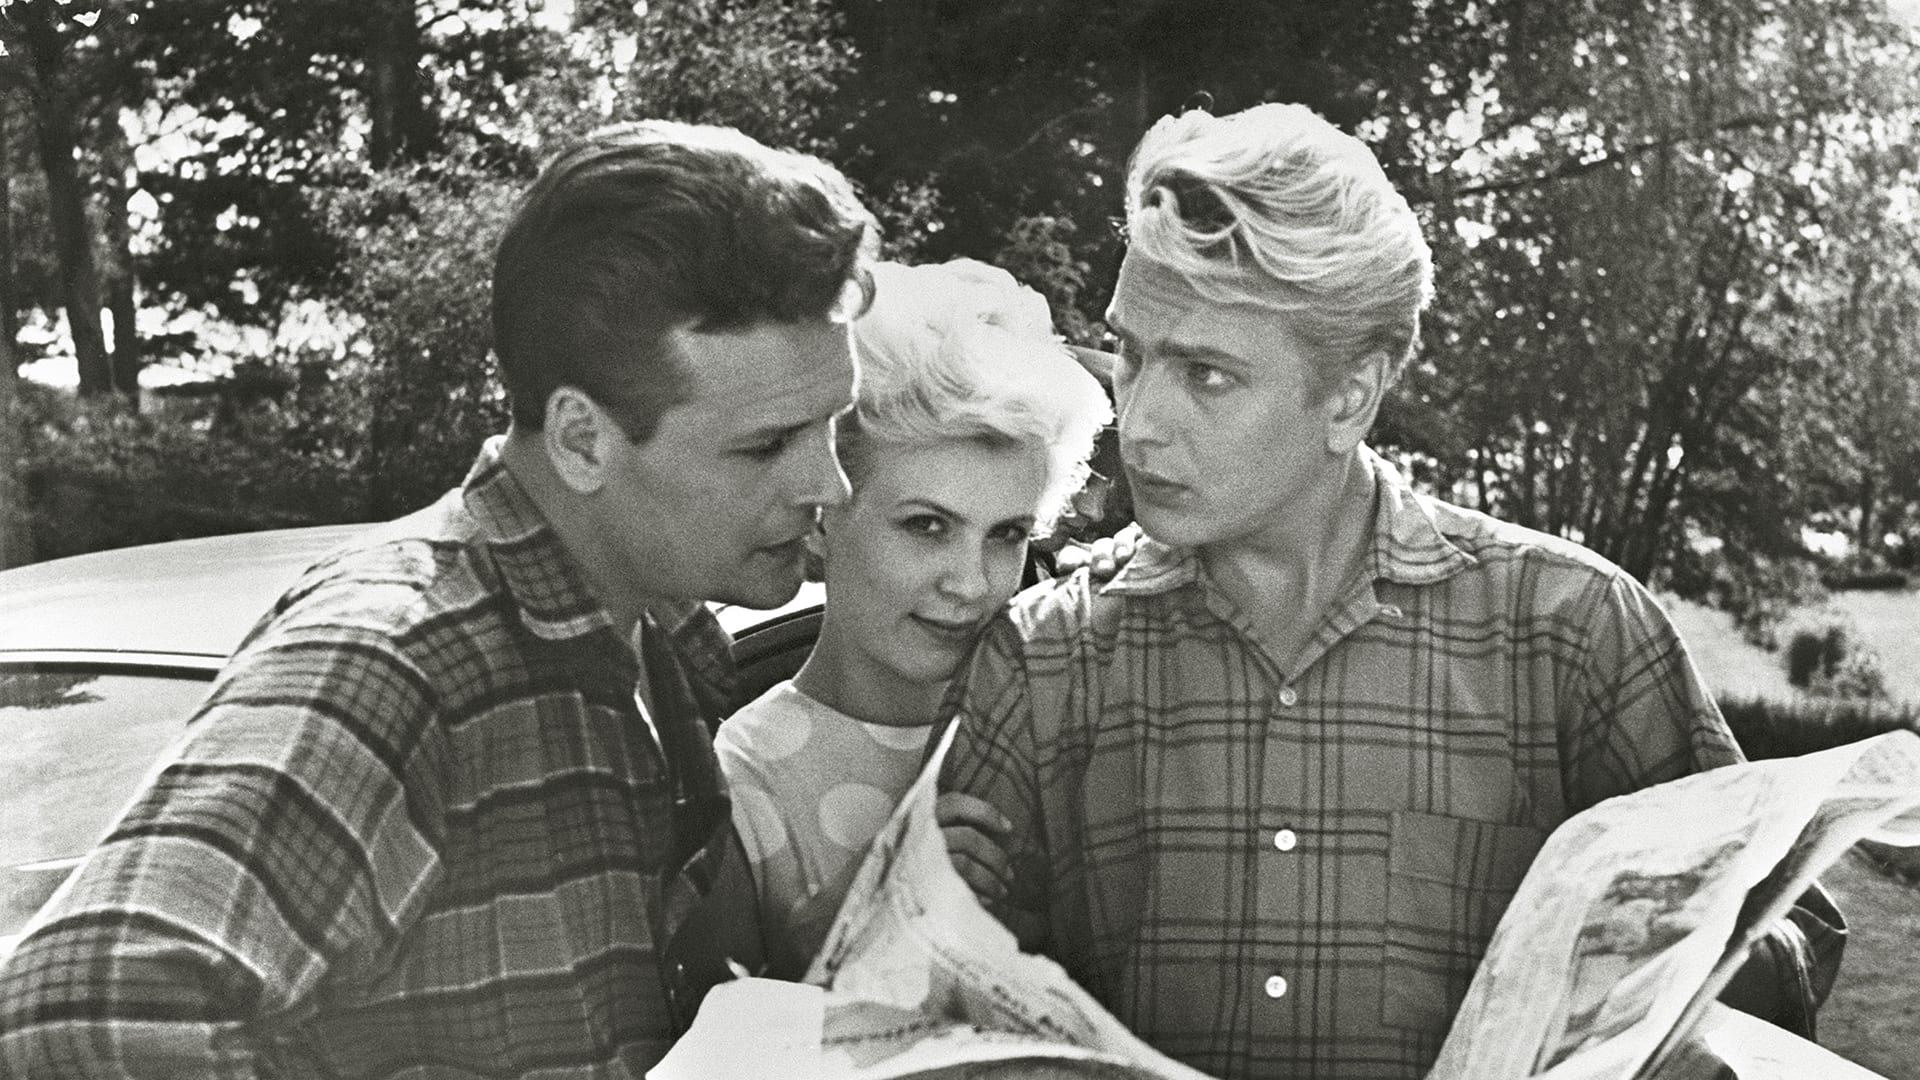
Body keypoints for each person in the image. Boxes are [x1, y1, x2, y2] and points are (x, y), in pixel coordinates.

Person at [938, 103, 1842, 1079]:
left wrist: (1662, 955)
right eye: (1132, 352)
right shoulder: (1045, 657)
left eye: (1206, 375)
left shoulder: (1574, 634)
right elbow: (949, 1021)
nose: (1141, 420)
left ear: (1351, 397)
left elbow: (1788, 954)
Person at [0, 120, 876, 1078]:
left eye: (832, 426)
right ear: (581, 439)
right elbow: (71, 1030)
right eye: (766, 445)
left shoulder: (652, 633)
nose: (829, 485)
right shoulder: (395, 655)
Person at [712, 258, 1112, 979]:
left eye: (1007, 534)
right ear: (820, 518)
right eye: (927, 525)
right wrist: (842, 931)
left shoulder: (1069, 730)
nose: (971, 583)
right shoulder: (741, 782)